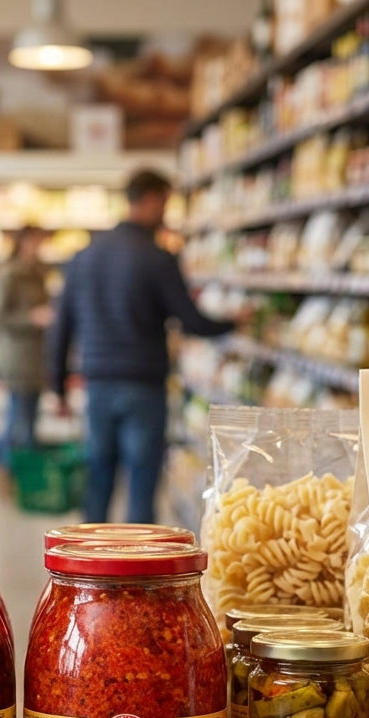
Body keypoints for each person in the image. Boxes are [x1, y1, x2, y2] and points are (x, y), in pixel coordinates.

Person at [50, 168, 234, 524]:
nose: (166, 213)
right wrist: (233, 321)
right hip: (143, 388)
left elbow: (61, 328)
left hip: (99, 385)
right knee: (141, 483)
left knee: (98, 479)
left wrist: (58, 387)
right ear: (150, 200)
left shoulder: (83, 257)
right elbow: (192, 321)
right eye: (164, 203)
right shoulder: (157, 258)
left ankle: (89, 565)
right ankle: (140, 567)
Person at [0, 226, 53, 469]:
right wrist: (31, 317)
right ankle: (8, 469)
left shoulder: (39, 272)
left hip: (36, 354)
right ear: (22, 242)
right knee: (17, 416)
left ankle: (27, 471)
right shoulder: (10, 273)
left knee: (30, 416)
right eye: (35, 240)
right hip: (18, 356)